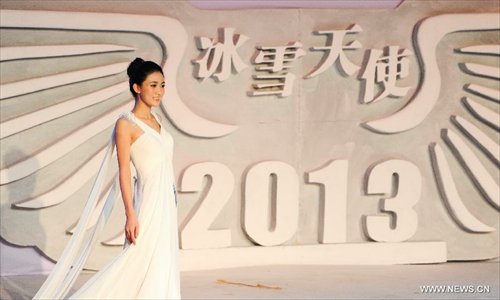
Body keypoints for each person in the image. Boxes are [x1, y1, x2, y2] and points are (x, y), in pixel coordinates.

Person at [33, 58, 181, 299]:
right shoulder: (126, 124)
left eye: (162, 85)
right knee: (135, 261)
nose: (159, 92)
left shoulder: (158, 122)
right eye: (153, 85)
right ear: (137, 87)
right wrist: (130, 214)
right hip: (147, 204)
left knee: (162, 261)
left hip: (167, 204)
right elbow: (124, 170)